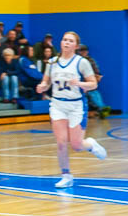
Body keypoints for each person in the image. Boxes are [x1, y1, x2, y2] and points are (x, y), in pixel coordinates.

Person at [35, 32, 108, 189]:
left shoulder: (81, 62)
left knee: (76, 145)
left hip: (76, 106)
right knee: (61, 142)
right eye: (64, 40)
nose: (66, 43)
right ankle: (66, 175)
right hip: (58, 105)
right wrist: (42, 87)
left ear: (76, 45)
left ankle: (90, 144)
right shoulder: (52, 62)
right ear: (61, 43)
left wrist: (80, 83)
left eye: (70, 41)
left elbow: (93, 84)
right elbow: (46, 82)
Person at [77, 44, 111, 118]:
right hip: (79, 85)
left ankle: (102, 108)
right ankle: (100, 109)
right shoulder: (76, 61)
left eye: (84, 51)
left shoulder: (91, 61)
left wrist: (97, 77)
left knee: (94, 94)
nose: (83, 52)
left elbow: (96, 71)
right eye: (81, 51)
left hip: (89, 83)